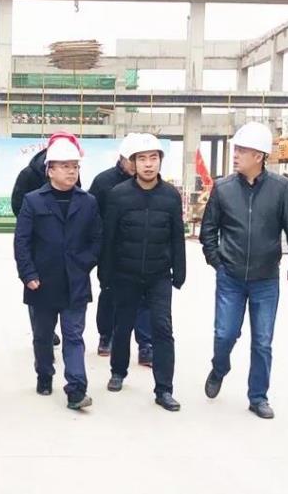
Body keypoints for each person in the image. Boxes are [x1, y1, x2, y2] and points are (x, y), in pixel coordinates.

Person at [200, 121, 288, 419]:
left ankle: (258, 397)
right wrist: (217, 262)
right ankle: (219, 368)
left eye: (241, 151)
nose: (235, 155)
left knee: (262, 341)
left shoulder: (281, 189)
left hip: (265, 279)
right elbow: (209, 230)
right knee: (225, 334)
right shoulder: (223, 189)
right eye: (235, 149)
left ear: (258, 156)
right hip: (230, 277)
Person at [99, 133, 186, 412]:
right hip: (125, 273)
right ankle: (118, 371)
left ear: (160, 161)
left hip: (159, 275)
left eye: (153, 158)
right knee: (122, 324)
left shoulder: (170, 196)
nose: (148, 164)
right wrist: (105, 274)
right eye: (142, 159)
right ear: (133, 163)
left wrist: (179, 271)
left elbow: (177, 237)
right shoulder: (118, 195)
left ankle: (164, 389)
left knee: (163, 329)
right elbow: (109, 237)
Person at [14, 135, 101, 410]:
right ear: (50, 170)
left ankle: (76, 389)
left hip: (75, 281)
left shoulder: (88, 202)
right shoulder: (33, 201)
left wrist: (84, 263)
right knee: (42, 336)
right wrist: (28, 275)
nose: (71, 171)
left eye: (74, 166)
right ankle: (44, 373)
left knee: (74, 336)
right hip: (42, 282)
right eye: (64, 166)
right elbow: (22, 242)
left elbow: (97, 239)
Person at [11, 131, 83, 347]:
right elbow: (17, 203)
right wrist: (32, 223)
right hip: (37, 241)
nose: (71, 169)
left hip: (65, 240)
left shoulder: (73, 174)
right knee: (35, 286)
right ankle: (42, 332)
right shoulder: (28, 174)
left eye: (74, 165)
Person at [88, 137, 154, 362]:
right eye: (132, 159)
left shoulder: (151, 184)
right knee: (109, 294)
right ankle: (105, 336)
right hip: (111, 251)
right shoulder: (103, 182)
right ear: (122, 158)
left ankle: (145, 344)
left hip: (142, 252)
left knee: (144, 299)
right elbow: (91, 215)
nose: (137, 164)